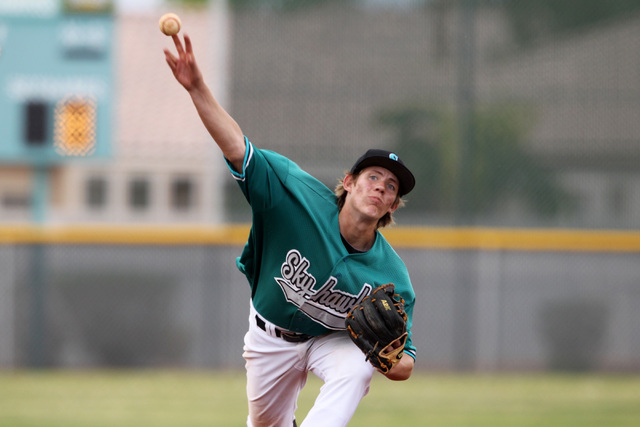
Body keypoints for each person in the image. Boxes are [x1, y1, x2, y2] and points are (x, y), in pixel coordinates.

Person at [164, 33, 417, 427]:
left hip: (330, 341)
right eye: (373, 177)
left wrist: (385, 356)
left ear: (392, 206)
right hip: (271, 337)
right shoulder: (293, 195)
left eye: (390, 187)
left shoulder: (391, 276)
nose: (381, 188)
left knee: (357, 369)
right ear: (348, 182)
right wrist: (197, 88)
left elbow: (405, 365)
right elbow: (236, 147)